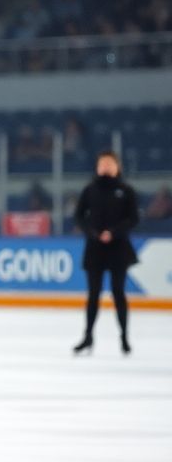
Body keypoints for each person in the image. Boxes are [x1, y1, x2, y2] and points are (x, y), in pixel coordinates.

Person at [72, 151, 139, 356]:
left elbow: (133, 218)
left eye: (110, 163)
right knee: (93, 294)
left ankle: (124, 337)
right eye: (102, 163)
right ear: (97, 166)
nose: (106, 167)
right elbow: (79, 217)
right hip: (95, 248)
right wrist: (92, 233)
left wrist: (114, 233)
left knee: (118, 292)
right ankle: (88, 336)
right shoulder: (90, 190)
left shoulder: (126, 190)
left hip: (118, 248)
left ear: (117, 166)